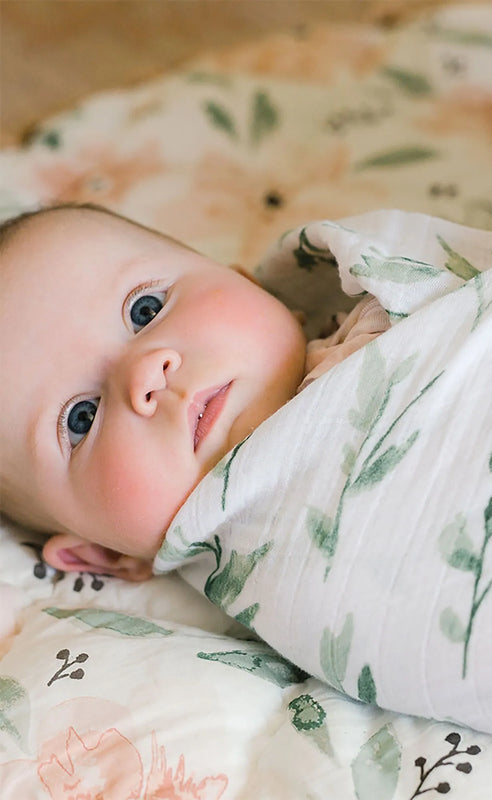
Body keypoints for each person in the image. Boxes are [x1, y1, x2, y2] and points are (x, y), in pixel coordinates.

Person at [0, 203, 388, 581]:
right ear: (105, 553)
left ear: (247, 282)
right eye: (81, 418)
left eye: (146, 310)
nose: (146, 373)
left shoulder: (388, 312)